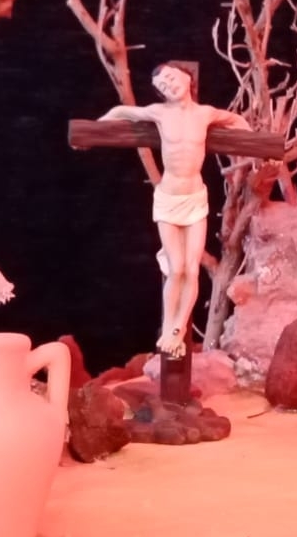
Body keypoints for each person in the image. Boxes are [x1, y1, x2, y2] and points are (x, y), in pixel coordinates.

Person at [96, 63, 250, 359]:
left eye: (170, 78)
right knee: (176, 268)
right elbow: (124, 112)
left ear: (187, 77)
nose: (168, 85)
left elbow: (235, 120)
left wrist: (256, 141)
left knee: (191, 269)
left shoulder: (204, 114)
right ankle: (169, 326)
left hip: (195, 199)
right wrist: (99, 125)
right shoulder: (159, 112)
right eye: (162, 86)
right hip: (168, 199)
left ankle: (177, 330)